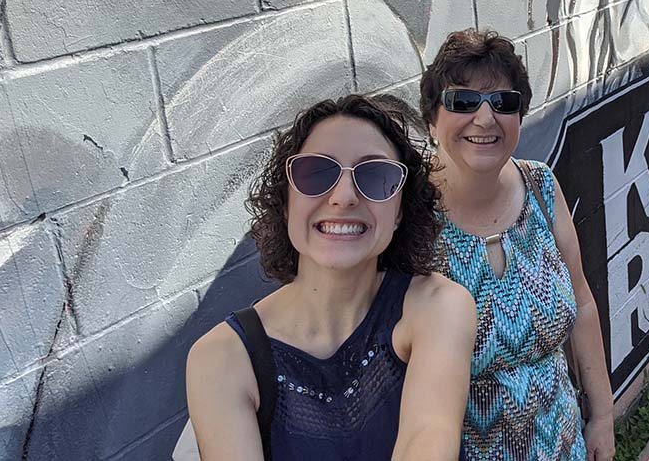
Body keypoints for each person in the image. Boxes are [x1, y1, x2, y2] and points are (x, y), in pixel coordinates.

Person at [185, 94, 476, 461]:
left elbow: (429, 438)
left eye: (377, 176)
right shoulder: (221, 358)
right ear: (286, 200)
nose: (343, 197)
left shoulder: (438, 307)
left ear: (400, 211)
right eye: (316, 173)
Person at [420, 30, 616, 461]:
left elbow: (581, 302)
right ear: (432, 121)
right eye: (463, 102)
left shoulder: (541, 186)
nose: (485, 118)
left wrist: (601, 417)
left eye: (503, 103)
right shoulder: (409, 218)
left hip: (564, 446)